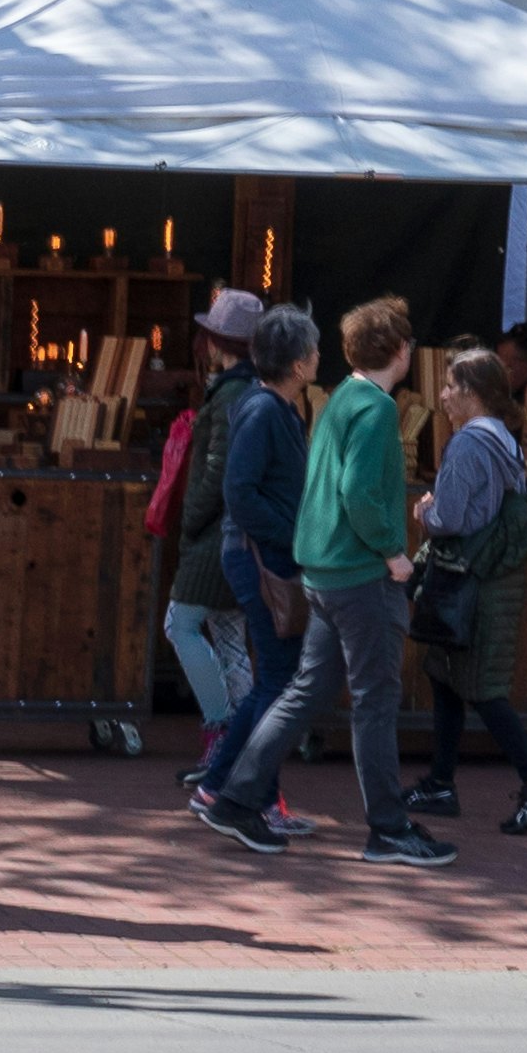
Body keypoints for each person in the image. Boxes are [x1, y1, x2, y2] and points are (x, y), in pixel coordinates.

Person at [219, 295, 443, 867]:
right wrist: (394, 553)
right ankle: (388, 829)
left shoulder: (341, 398)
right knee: (374, 702)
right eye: (409, 342)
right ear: (399, 350)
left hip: (323, 574)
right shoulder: (375, 409)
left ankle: (238, 796)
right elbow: (358, 494)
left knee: (305, 691)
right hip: (360, 575)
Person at [407, 343, 527, 835]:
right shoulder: (503, 439)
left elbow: (450, 516)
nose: (445, 394)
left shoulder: (469, 443)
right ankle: (439, 782)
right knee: (449, 676)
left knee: (482, 689)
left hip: (471, 583)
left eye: (453, 386)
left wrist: (424, 511)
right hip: (490, 579)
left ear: (473, 393)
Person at [192, 307, 322, 824]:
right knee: (277, 683)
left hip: (266, 556)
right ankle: (237, 790)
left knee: (278, 681)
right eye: (311, 350)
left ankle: (237, 789)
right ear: (295, 364)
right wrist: (295, 540)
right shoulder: (266, 410)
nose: (317, 357)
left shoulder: (279, 408)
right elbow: (240, 493)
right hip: (260, 559)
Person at [155, 290, 275, 747]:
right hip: (241, 535)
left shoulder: (230, 394)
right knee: (229, 638)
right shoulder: (254, 390)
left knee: (180, 626)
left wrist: (190, 522)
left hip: (214, 534)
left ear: (219, 344)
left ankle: (220, 728)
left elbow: (216, 471)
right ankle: (242, 744)